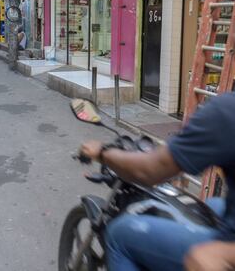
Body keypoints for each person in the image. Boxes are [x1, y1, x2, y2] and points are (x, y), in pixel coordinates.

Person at [80, 92, 235, 271]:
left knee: (118, 234)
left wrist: (101, 153)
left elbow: (150, 170)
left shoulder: (226, 110)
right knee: (211, 206)